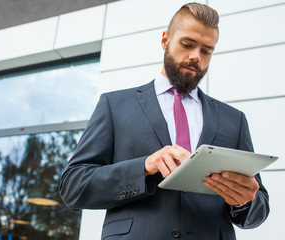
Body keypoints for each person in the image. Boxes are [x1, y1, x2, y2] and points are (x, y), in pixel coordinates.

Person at [59, 3, 269, 239]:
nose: (195, 56)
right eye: (187, 44)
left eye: (206, 51)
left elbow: (259, 205)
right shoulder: (114, 105)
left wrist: (243, 202)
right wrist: (145, 166)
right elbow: (73, 186)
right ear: (165, 40)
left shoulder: (234, 119)